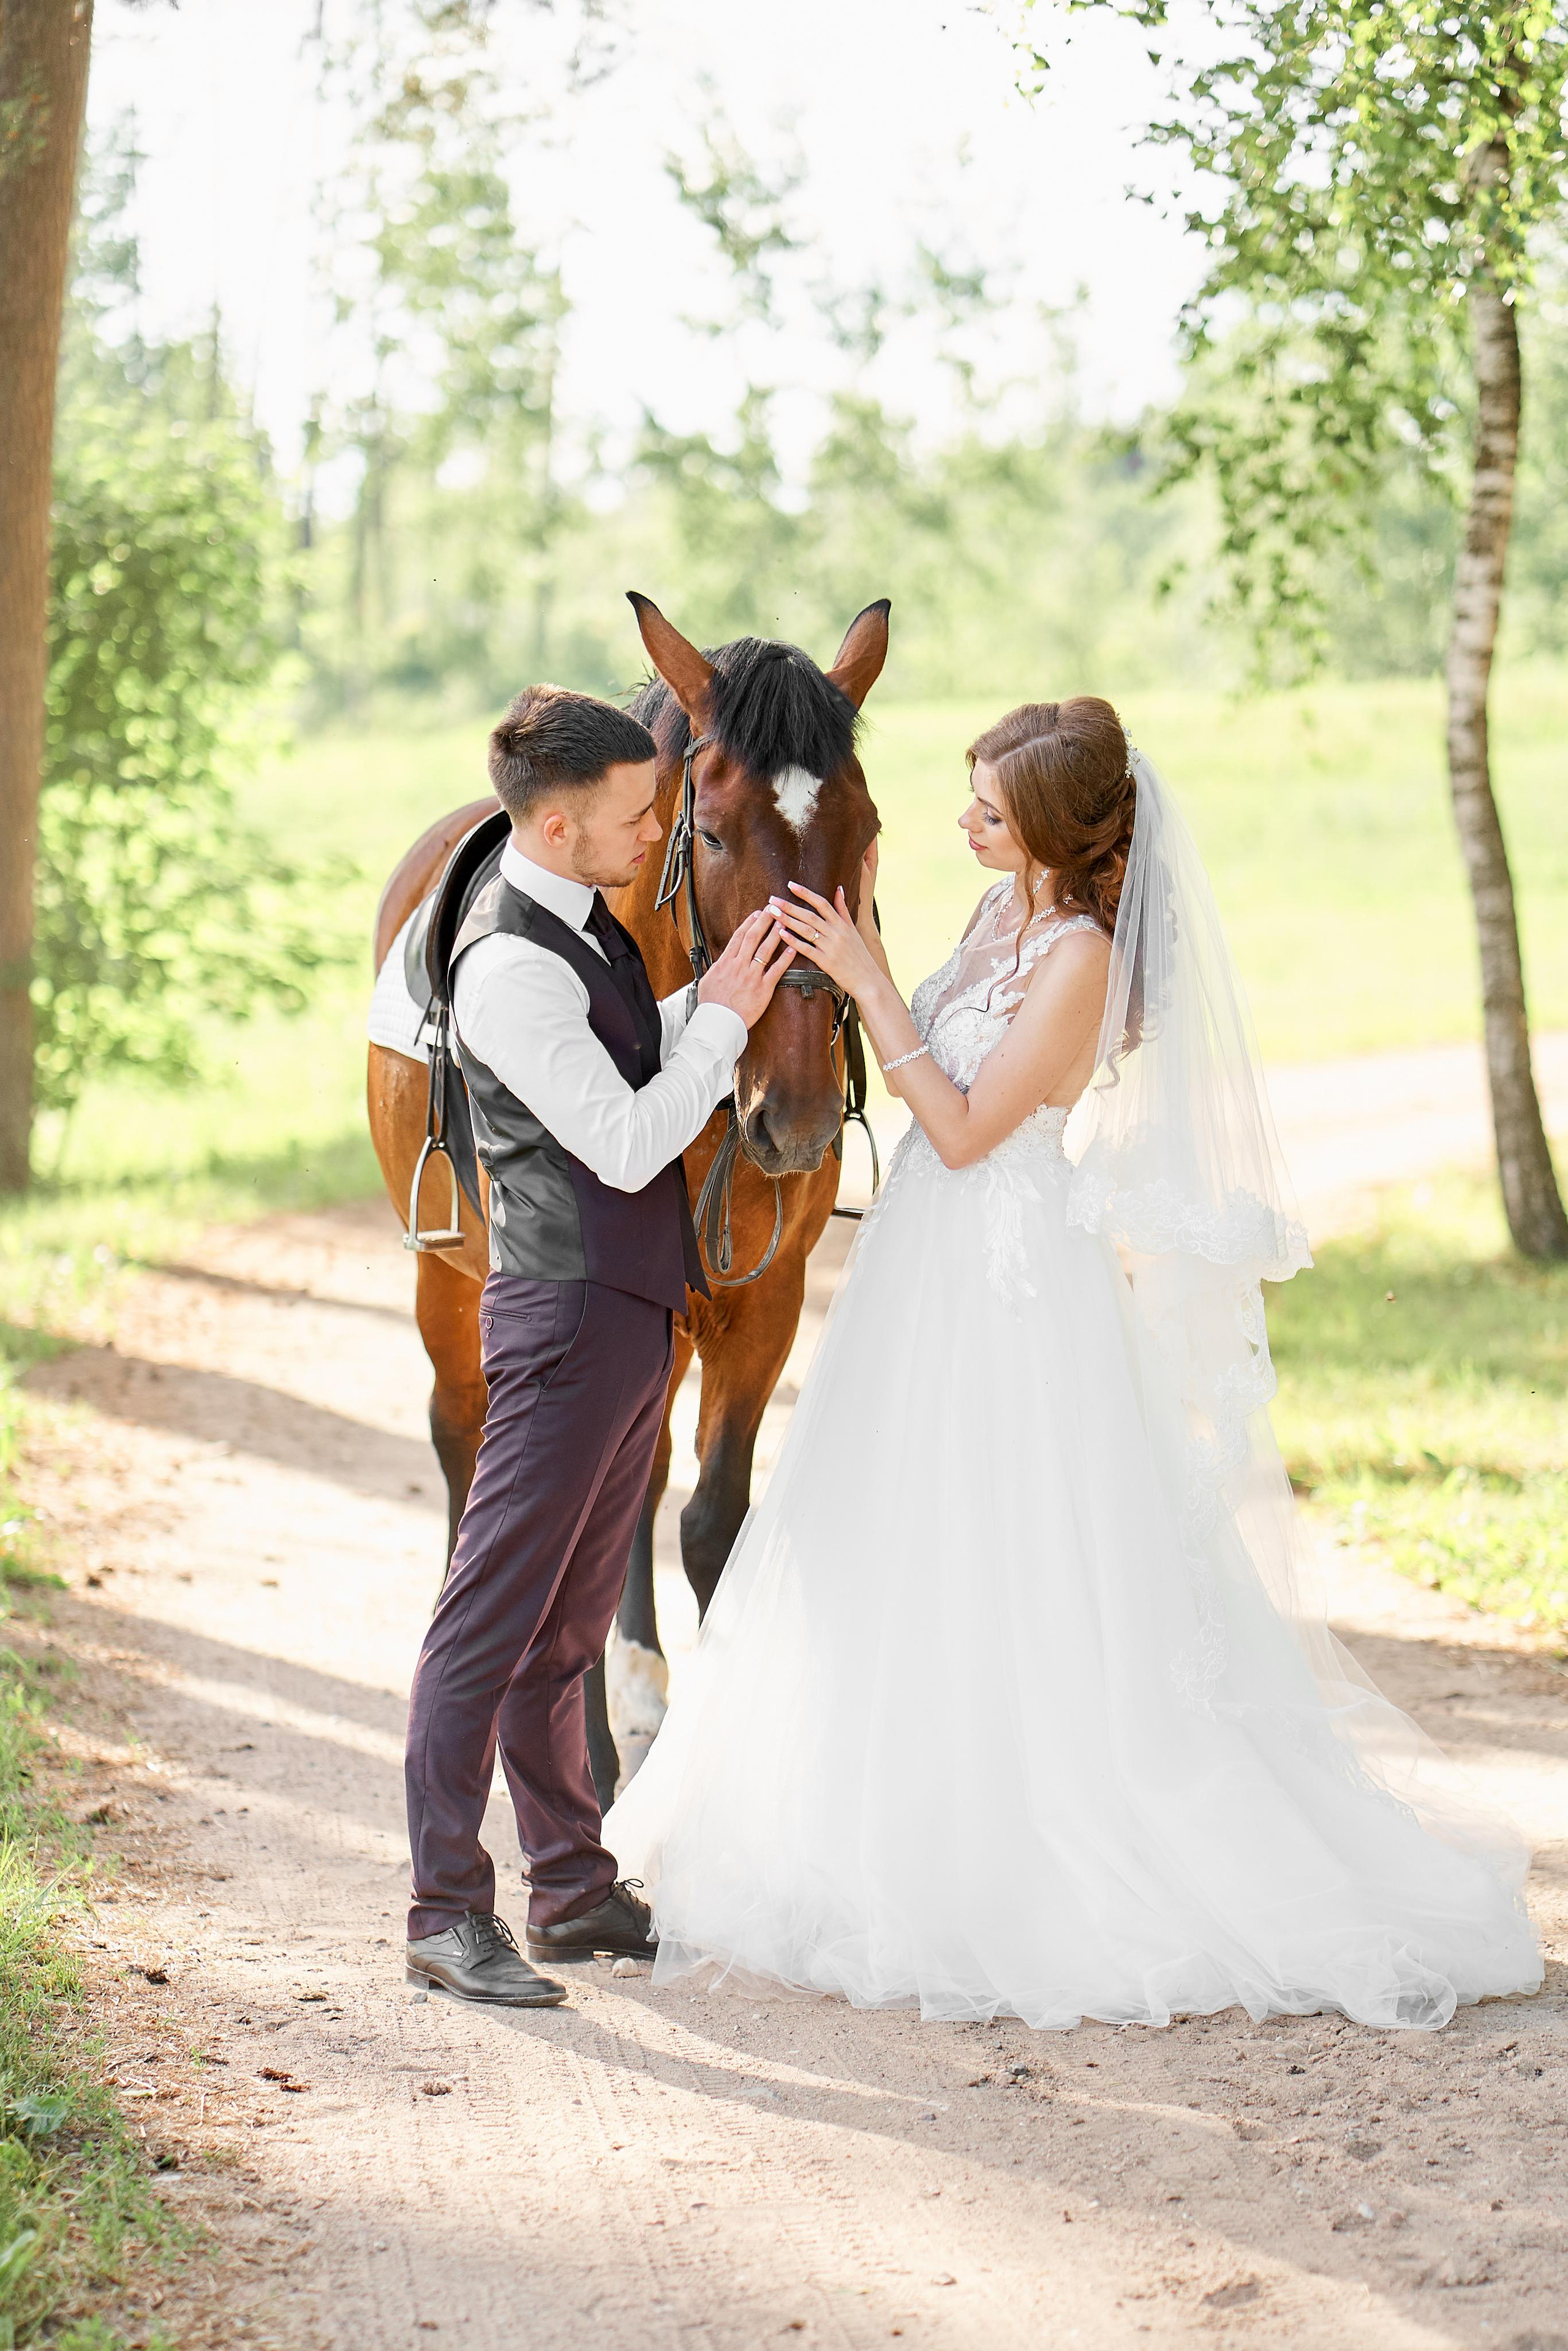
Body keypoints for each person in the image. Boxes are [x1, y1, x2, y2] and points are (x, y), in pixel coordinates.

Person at [605, 697, 1543, 2032]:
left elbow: (973, 1121)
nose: (962, 823)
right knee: (900, 1533)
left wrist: (872, 983)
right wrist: (854, 948)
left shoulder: (1085, 959)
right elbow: (921, 1049)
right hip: (925, 1264)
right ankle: (893, 1803)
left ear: (1045, 829)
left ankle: (1039, 1835)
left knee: (1020, 1535)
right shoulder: (1001, 919)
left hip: (1005, 1268)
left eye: (985, 809)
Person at [404, 685, 794, 2008]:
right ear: (562, 823)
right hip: (565, 1321)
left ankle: (568, 1888)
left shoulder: (586, 928)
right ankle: (446, 1909)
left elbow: (633, 1052)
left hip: (628, 1320)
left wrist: (713, 992)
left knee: (567, 1630)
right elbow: (628, 1139)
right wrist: (727, 1025)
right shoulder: (510, 965)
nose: (659, 828)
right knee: (488, 1624)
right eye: (639, 810)